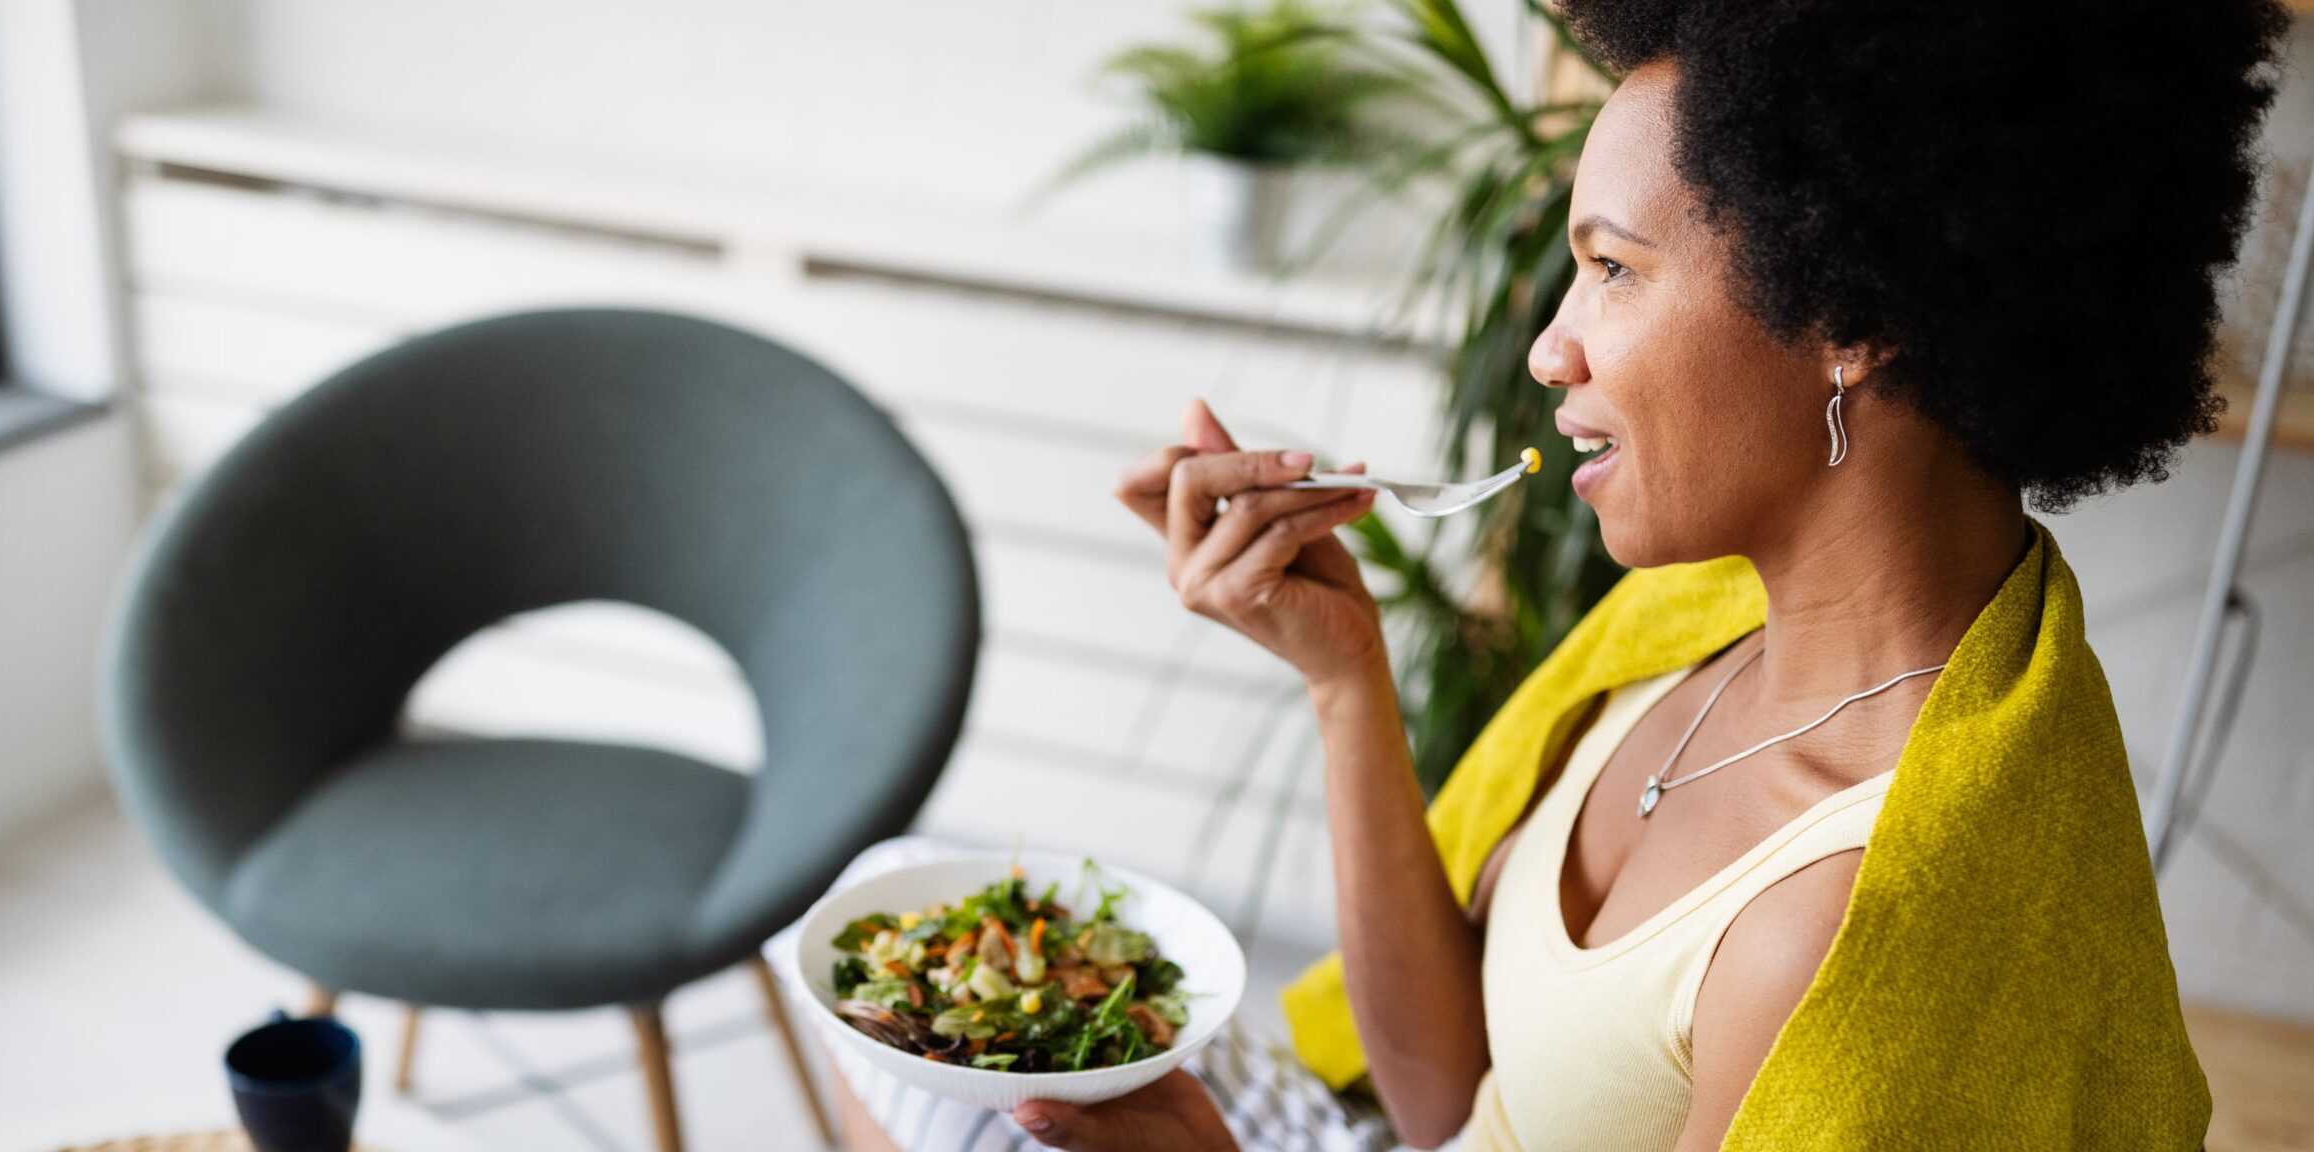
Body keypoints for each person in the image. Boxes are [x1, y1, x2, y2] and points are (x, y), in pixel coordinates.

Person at [804, 0, 2293, 1147]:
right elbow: (1449, 1088)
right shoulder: (1700, 633)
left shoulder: (1841, 928)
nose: (1549, 347)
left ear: (1849, 311)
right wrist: (1346, 676)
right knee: (882, 914)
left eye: (1616, 269)